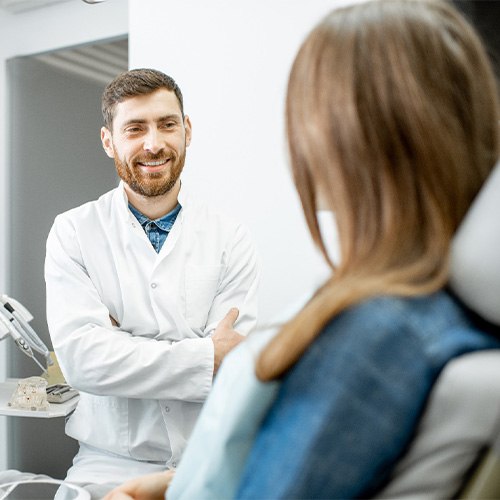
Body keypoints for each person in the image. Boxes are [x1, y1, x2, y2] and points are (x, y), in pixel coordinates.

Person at [105, 0, 500, 498]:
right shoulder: (435, 313)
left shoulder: (374, 336)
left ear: (341, 137)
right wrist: (175, 484)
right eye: (135, 129)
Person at [44, 68, 259, 488]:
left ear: (187, 131)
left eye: (167, 124)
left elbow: (232, 365)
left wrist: (122, 345)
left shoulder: (230, 237)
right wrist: (203, 354)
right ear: (109, 141)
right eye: (135, 128)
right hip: (108, 466)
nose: (154, 143)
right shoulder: (73, 232)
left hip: (210, 457)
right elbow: (84, 363)